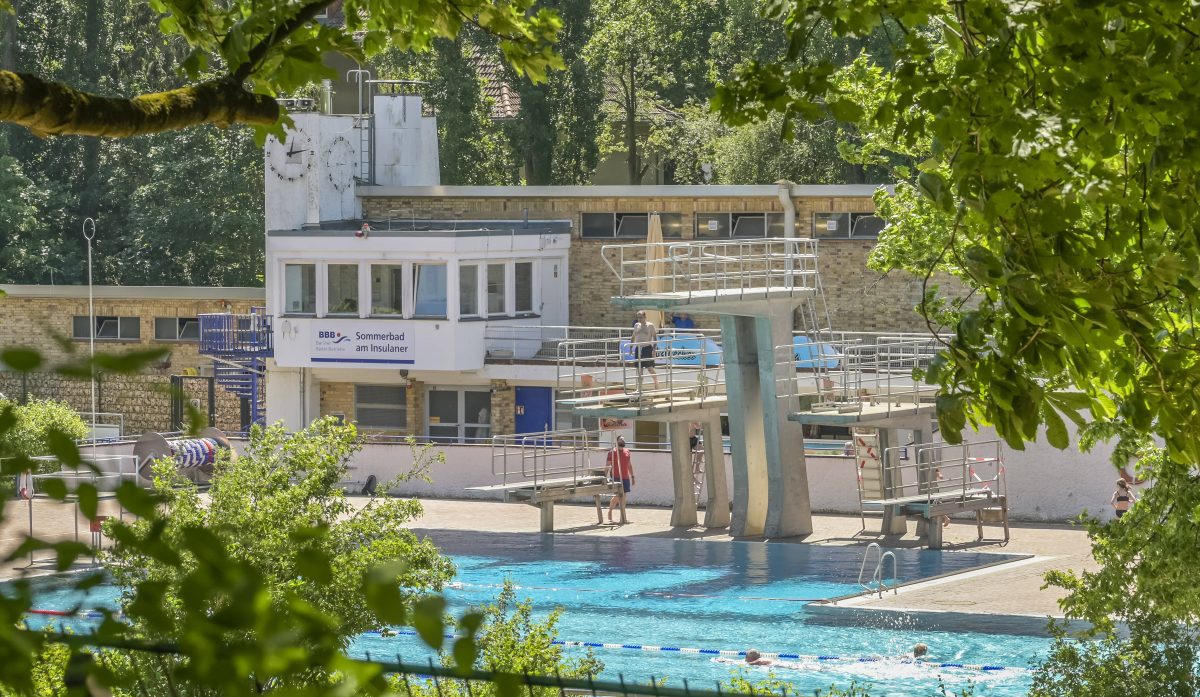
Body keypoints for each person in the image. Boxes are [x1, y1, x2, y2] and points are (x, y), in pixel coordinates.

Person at [606, 436, 635, 524]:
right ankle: (610, 511)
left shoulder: (627, 451)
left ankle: (622, 518)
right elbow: (607, 465)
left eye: (623, 439)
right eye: (621, 439)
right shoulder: (612, 452)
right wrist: (604, 476)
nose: (623, 440)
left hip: (625, 477)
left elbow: (629, 465)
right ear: (617, 441)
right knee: (618, 496)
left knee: (624, 497)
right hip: (616, 477)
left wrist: (632, 476)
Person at [631, 310, 659, 395]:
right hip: (638, 348)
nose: (639, 319)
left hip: (647, 348)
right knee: (639, 370)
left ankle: (656, 384)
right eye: (638, 317)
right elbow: (633, 336)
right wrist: (630, 347)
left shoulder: (650, 326)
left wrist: (654, 350)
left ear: (645, 317)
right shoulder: (636, 325)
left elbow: (655, 338)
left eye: (641, 317)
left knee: (650, 368)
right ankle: (639, 388)